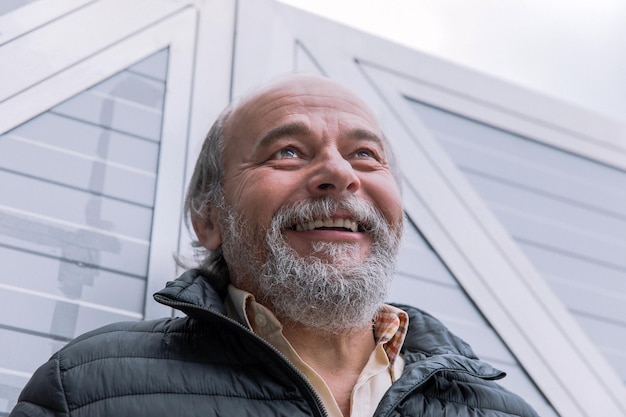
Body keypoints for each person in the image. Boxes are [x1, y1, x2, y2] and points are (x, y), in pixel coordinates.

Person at [10, 74, 538, 417]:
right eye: (287, 151)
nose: (338, 173)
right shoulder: (84, 388)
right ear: (208, 218)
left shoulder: (501, 411)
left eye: (364, 154)